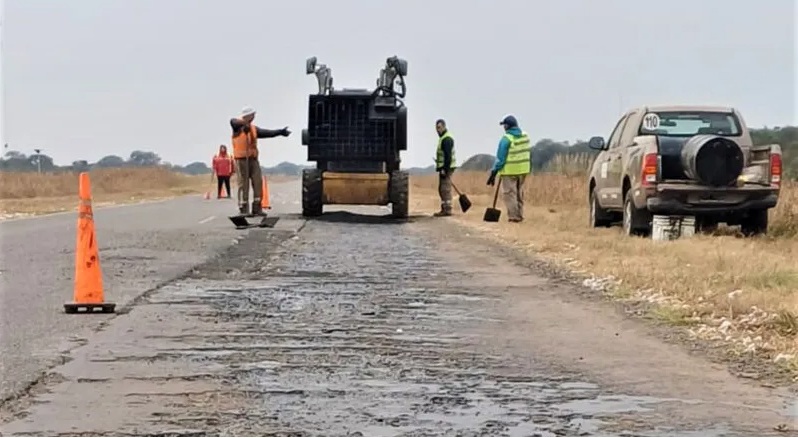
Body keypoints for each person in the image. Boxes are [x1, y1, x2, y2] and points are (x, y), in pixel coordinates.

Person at [230, 106, 291, 215]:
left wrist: (280, 132)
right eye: (252, 114)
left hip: (253, 160)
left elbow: (267, 133)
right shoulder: (237, 126)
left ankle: (257, 208)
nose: (254, 117)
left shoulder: (253, 128)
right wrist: (244, 124)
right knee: (243, 184)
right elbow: (233, 121)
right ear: (247, 115)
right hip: (242, 160)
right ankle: (243, 208)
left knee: (257, 182)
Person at [486, 115, 531, 223]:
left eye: (504, 125)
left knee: (510, 194)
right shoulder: (525, 136)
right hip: (523, 170)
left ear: (507, 126)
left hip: (510, 171)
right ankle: (520, 215)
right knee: (519, 193)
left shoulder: (506, 139)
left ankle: (514, 217)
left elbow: (500, 159)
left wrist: (493, 172)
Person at [433, 119, 457, 217]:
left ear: (443, 126)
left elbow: (448, 156)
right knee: (442, 188)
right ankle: (444, 208)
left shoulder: (447, 139)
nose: (437, 130)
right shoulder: (443, 138)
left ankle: (447, 210)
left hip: (447, 168)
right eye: (436, 128)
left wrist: (444, 169)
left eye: (439, 128)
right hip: (444, 167)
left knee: (445, 188)